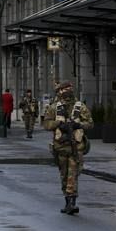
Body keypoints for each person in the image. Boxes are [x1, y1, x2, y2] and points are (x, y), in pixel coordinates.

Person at [43, 81, 93, 215]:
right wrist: (59, 124)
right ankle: (67, 200)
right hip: (60, 148)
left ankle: (72, 202)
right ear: (60, 91)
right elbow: (46, 124)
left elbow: (90, 123)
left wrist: (79, 125)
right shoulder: (54, 107)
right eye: (65, 89)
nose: (67, 91)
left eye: (69, 88)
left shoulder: (80, 106)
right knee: (64, 175)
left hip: (76, 147)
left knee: (73, 175)